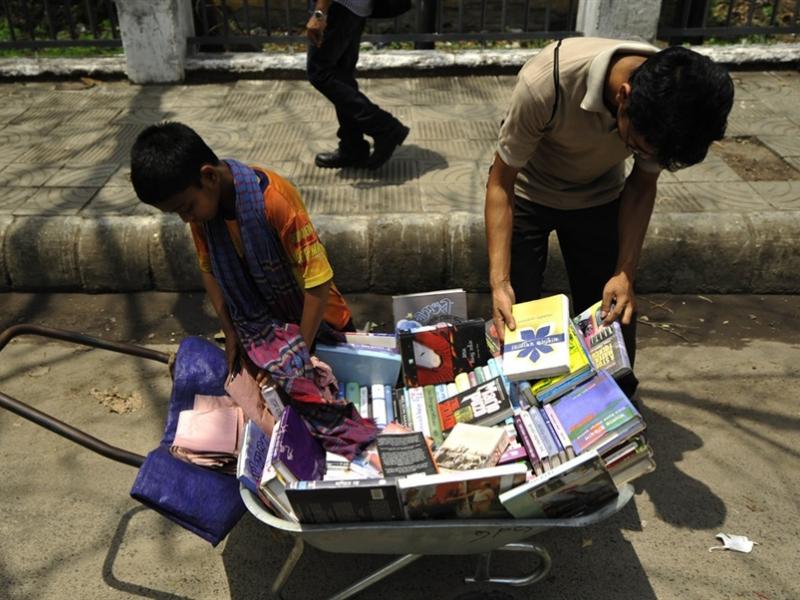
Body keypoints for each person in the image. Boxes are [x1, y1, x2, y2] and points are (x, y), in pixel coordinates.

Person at [485, 38, 734, 394]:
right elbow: (501, 182)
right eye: (637, 146)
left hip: (599, 196)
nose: (642, 154)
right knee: (519, 330)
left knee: (614, 325)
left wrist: (624, 272)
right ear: (624, 96)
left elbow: (641, 185)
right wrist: (499, 281)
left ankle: (606, 424)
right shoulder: (545, 82)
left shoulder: (671, 101)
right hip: (526, 192)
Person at [130, 122, 355, 402]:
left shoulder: (274, 200)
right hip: (267, 334)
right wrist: (230, 330)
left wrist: (296, 359)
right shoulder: (202, 214)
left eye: (186, 208)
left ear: (209, 176)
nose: (186, 219)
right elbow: (208, 267)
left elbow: (318, 282)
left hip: (321, 326)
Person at [305, 0, 410, 170]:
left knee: (320, 73)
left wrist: (319, 13)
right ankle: (352, 147)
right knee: (342, 77)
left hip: (338, 7)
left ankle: (385, 127)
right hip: (354, 9)